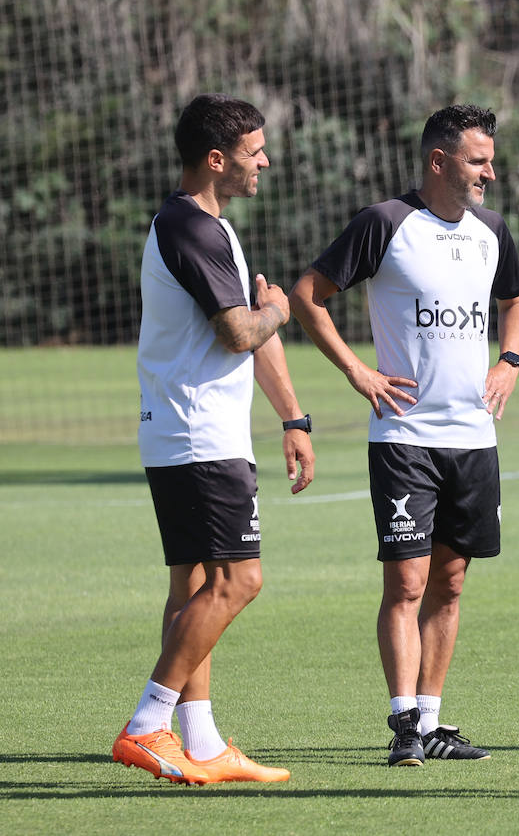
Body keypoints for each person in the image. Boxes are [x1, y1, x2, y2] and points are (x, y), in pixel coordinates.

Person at [289, 104, 519, 767]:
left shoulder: (491, 231)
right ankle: (402, 724)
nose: (489, 171)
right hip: (403, 438)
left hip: (474, 439)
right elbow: (309, 292)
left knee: (450, 582)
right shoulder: (386, 224)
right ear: (439, 161)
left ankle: (432, 720)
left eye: (489, 159)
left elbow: (516, 299)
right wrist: (356, 369)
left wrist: (509, 360)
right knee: (406, 580)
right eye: (478, 160)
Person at [114, 93, 315, 785]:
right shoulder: (190, 229)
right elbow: (240, 331)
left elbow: (241, 332)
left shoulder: (205, 226)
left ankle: (198, 741)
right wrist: (280, 309)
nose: (265, 160)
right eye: (255, 150)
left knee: (195, 583)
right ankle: (147, 724)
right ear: (216, 159)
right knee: (239, 579)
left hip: (188, 433)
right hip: (199, 437)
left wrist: (293, 417)